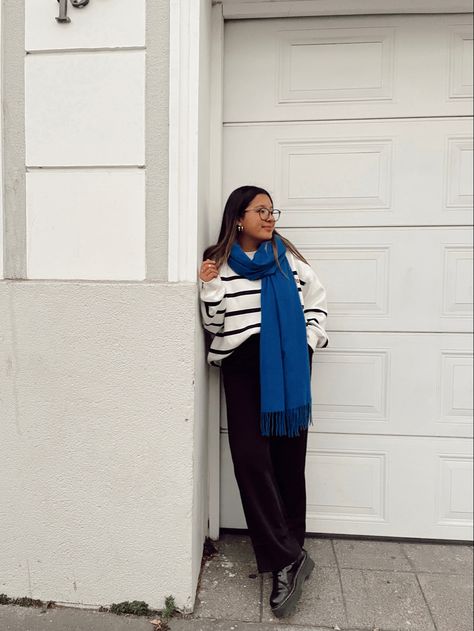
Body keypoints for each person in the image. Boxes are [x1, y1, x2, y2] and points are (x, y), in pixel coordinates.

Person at [199, 185, 329, 619]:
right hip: (242, 367)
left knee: (289, 461)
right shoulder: (216, 262)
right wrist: (210, 288)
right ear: (239, 216)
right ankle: (286, 557)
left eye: (273, 210)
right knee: (251, 461)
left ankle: (291, 552)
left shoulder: (287, 258)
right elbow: (213, 324)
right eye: (261, 210)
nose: (270, 217)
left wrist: (308, 342)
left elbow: (317, 303)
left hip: (289, 366)